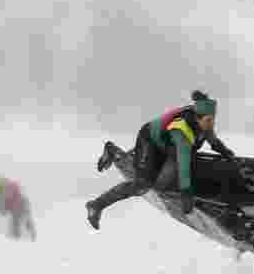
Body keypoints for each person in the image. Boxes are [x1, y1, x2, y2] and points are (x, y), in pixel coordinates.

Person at [86, 90, 236, 230]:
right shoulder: (183, 129)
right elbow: (183, 163)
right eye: (208, 120)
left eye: (212, 120)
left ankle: (119, 154)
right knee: (143, 184)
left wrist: (224, 151)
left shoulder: (204, 119)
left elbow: (212, 139)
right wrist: (186, 192)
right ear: (198, 118)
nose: (211, 124)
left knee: (170, 175)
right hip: (150, 141)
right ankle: (96, 205)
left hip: (167, 144)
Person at [0, 174, 37, 241]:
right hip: (22, 204)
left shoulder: (5, 188)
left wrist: (1, 209)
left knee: (17, 223)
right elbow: (5, 200)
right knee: (25, 220)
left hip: (19, 206)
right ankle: (30, 235)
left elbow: (6, 199)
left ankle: (19, 238)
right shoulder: (7, 187)